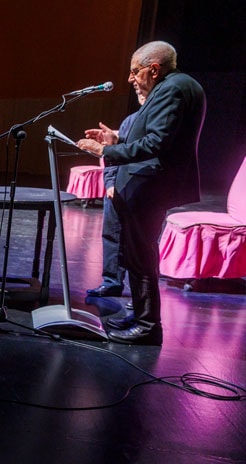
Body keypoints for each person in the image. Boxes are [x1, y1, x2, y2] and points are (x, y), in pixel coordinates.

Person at [77, 41, 206, 345]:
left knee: (140, 256)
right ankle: (140, 317)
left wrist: (107, 149)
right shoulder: (174, 86)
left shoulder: (172, 89)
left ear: (154, 68)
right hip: (149, 183)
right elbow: (155, 133)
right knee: (137, 255)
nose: (131, 79)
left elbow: (157, 143)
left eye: (135, 72)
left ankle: (148, 326)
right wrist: (118, 136)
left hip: (151, 185)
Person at [85, 94, 146, 300]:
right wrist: (111, 182)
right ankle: (111, 282)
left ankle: (141, 296)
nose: (141, 95)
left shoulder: (155, 123)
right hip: (119, 186)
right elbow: (113, 153)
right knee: (112, 235)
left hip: (141, 188)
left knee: (140, 244)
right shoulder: (130, 120)